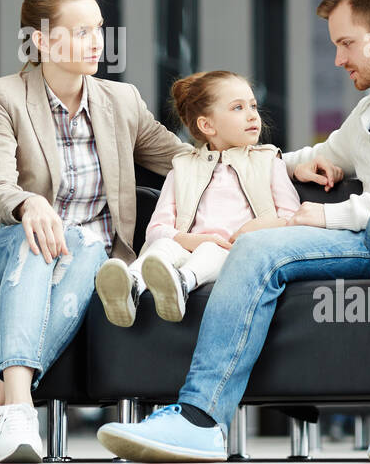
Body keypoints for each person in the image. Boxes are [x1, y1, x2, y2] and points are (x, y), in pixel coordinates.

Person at [97, 0, 370, 463]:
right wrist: (295, 162)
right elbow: (315, 153)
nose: (338, 59)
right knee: (255, 244)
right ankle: (200, 420)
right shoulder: (369, 113)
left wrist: (325, 215)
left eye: (346, 43)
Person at [0, 0, 191, 463]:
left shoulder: (122, 101)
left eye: (100, 30)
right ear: (43, 40)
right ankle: (21, 407)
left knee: (85, 245)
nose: (98, 43)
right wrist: (31, 205)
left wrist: (282, 162)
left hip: (82, 258)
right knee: (49, 238)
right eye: (83, 32)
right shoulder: (4, 95)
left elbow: (184, 159)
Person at [95, 70, 301, 326]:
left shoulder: (269, 161)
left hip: (234, 252)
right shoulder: (182, 168)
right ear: (207, 125)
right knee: (162, 249)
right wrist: (189, 239)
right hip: (187, 244)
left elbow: (293, 219)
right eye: (238, 107)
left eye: (253, 106)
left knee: (210, 250)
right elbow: (157, 229)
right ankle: (130, 285)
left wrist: (254, 228)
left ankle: (182, 284)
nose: (252, 115)